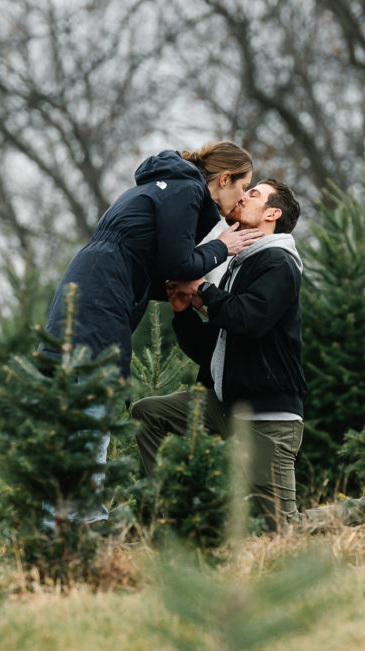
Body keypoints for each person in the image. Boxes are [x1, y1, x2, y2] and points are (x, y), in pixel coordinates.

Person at [38, 141, 262, 525]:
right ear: (224, 179)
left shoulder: (167, 186)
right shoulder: (187, 188)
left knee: (77, 413)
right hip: (101, 298)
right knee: (94, 407)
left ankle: (63, 525)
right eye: (243, 187)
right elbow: (177, 260)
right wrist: (222, 247)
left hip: (90, 288)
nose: (240, 200)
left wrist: (180, 289)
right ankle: (83, 526)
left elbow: (159, 266)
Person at [132, 179, 307, 531]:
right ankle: (174, 516)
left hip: (267, 416)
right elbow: (212, 350)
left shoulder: (278, 262)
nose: (243, 197)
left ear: (273, 214)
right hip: (227, 405)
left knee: (284, 530)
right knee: (148, 414)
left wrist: (205, 290)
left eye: (254, 194)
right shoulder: (240, 265)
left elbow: (251, 318)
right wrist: (184, 311)